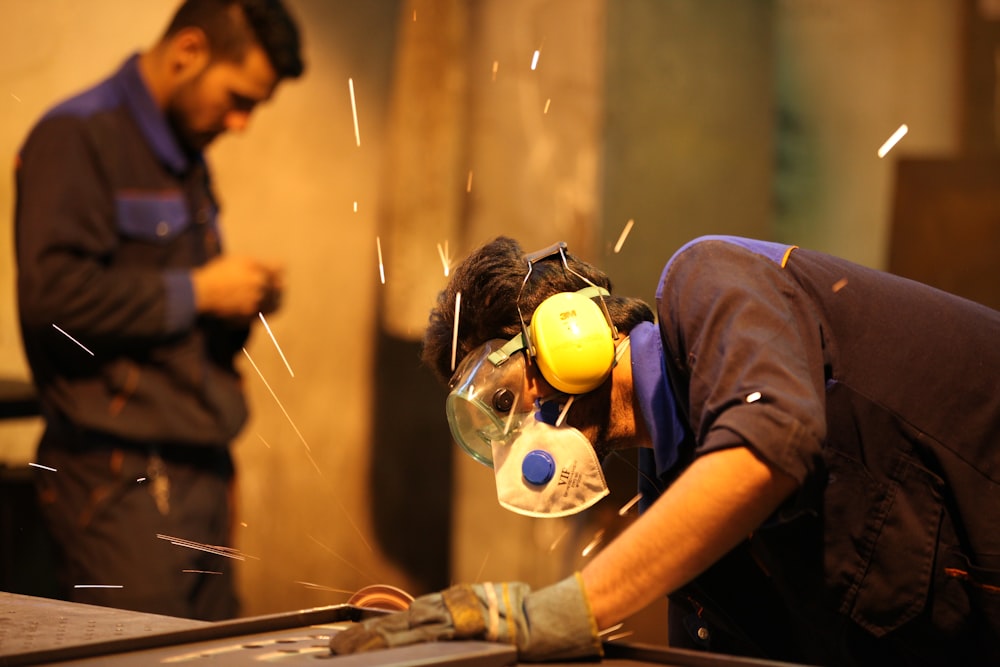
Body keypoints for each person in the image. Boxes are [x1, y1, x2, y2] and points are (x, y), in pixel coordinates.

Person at [331, 235, 1000, 665]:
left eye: (503, 399)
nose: (514, 435)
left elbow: (768, 444)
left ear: (568, 331)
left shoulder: (710, 278)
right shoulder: (680, 503)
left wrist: (557, 611)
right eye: (488, 424)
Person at [14, 0, 304, 620]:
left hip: (199, 471)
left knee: (217, 655)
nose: (241, 122)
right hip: (117, 487)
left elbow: (168, 317)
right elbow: (53, 300)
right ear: (188, 52)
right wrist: (201, 291)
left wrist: (238, 301)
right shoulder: (76, 138)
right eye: (238, 98)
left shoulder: (183, 154)